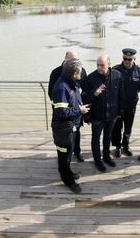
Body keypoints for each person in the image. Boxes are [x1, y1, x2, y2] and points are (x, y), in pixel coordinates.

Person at [51, 58, 90, 193]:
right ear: (73, 73)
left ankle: (68, 172)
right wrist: (79, 110)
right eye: (79, 72)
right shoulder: (62, 88)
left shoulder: (72, 83)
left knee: (69, 153)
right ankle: (68, 180)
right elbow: (61, 112)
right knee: (63, 154)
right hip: (63, 129)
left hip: (71, 126)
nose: (81, 74)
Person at [82, 55, 124, 172]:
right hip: (97, 116)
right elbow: (83, 97)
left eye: (102, 65)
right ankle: (97, 160)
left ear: (109, 65)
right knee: (96, 139)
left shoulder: (117, 75)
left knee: (108, 137)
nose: (99, 68)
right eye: (98, 65)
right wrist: (94, 93)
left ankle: (106, 156)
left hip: (112, 115)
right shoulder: (91, 78)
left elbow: (121, 94)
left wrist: (120, 111)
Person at [48, 51, 87, 162]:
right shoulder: (56, 73)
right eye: (72, 60)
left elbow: (84, 89)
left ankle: (77, 152)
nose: (75, 63)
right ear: (65, 59)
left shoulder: (81, 70)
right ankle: (64, 160)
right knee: (64, 137)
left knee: (76, 133)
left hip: (77, 111)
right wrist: (63, 103)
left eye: (76, 60)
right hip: (64, 113)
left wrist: (79, 104)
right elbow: (51, 92)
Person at [111, 48, 140, 157]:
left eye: (129, 59)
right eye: (125, 59)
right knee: (117, 127)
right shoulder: (115, 70)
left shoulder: (139, 71)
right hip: (119, 105)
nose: (127, 61)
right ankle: (117, 146)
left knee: (128, 127)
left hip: (131, 105)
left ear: (134, 59)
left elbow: (139, 87)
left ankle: (126, 145)